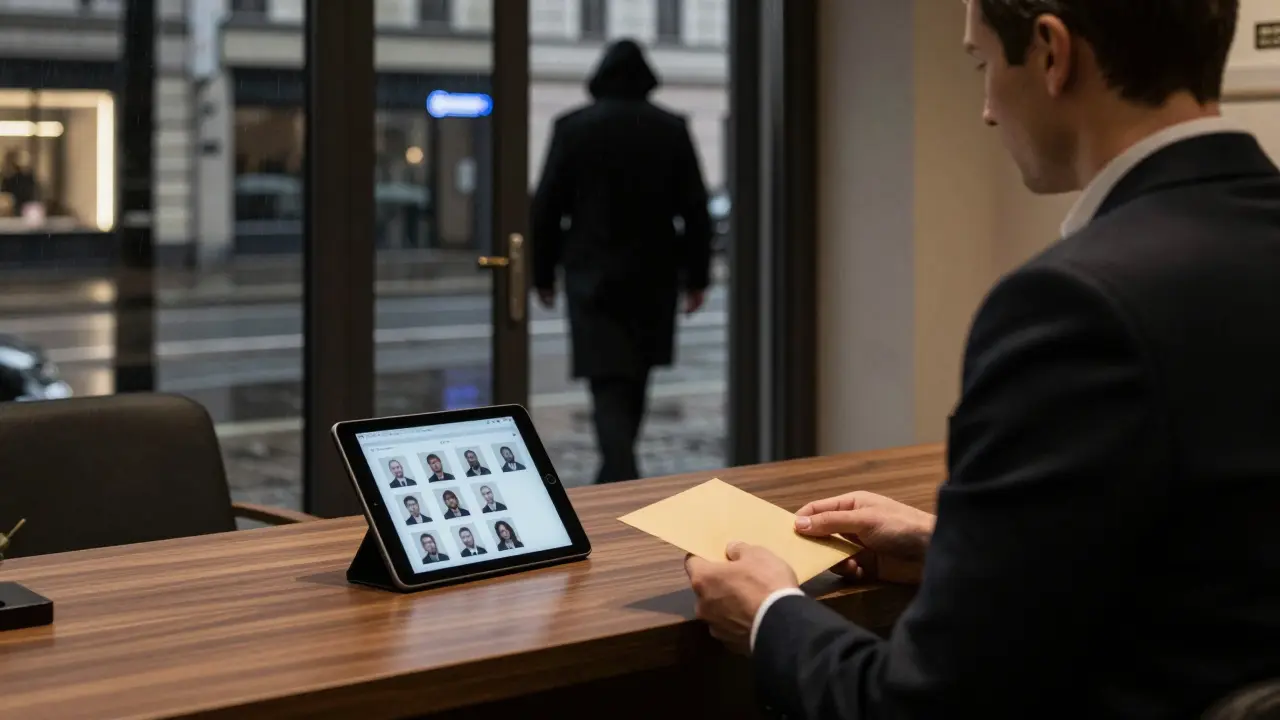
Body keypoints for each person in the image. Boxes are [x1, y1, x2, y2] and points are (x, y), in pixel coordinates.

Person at [683, 1, 1280, 717]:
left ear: (1052, 53)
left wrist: (770, 614)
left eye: (983, 65)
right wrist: (959, 551)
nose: (988, 110)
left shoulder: (1073, 303)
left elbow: (923, 707)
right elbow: (1219, 550)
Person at [531, 38, 713, 485]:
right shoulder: (670, 127)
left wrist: (542, 272)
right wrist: (697, 277)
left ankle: (618, 472)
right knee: (636, 376)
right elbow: (694, 208)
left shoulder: (572, 127)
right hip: (653, 274)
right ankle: (620, 471)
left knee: (605, 378)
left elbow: (548, 206)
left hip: (591, 273)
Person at [0, 149, 36, 217]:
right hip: (13, 207)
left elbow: (29, 193)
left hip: (25, 208)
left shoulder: (25, 177)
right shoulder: (7, 178)